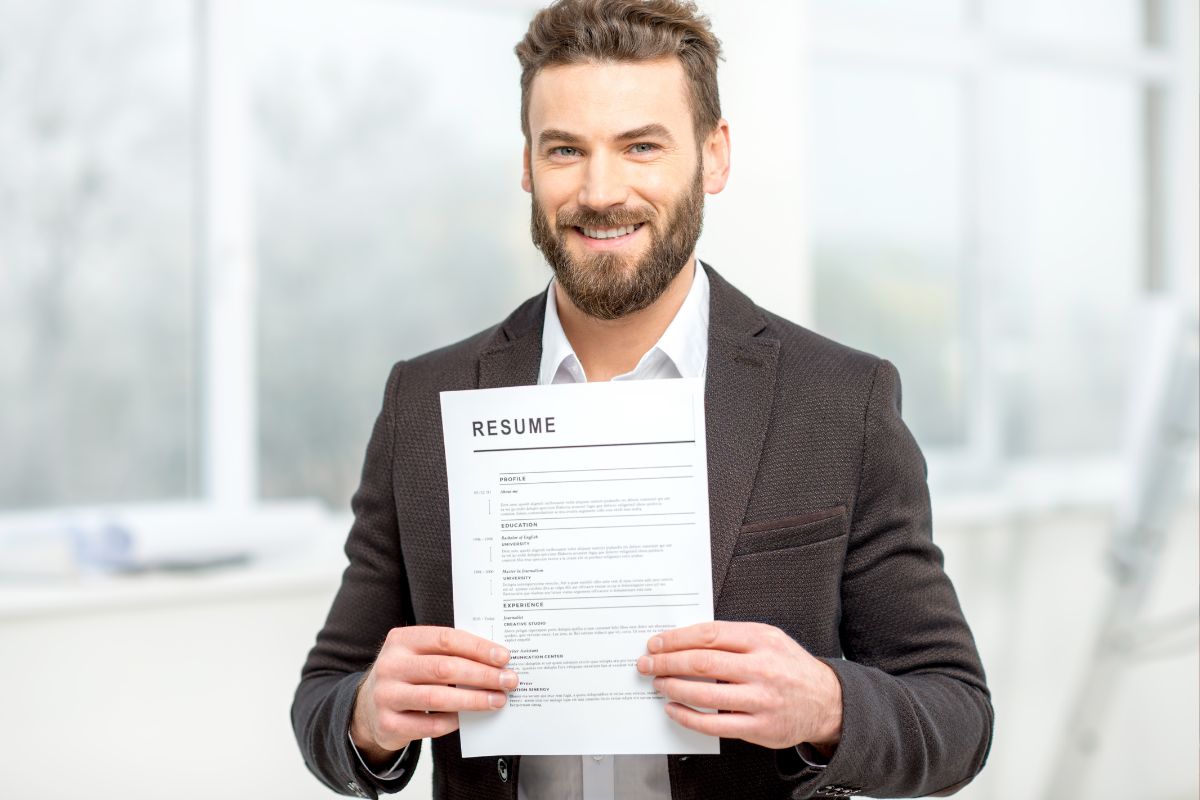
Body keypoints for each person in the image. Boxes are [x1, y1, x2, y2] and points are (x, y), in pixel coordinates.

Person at [291, 1, 993, 798]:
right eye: (566, 149)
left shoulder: (839, 400)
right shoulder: (425, 401)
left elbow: (957, 714)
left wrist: (826, 704)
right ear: (527, 164)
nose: (600, 190)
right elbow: (324, 698)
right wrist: (367, 718)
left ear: (714, 156)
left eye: (641, 147)